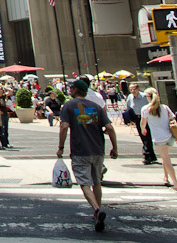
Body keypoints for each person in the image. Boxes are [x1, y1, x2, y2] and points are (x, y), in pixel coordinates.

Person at [57, 79, 118, 232]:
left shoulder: (68, 106)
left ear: (76, 90)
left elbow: (64, 127)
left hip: (80, 150)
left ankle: (96, 209)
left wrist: (60, 147)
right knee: (96, 181)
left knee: (84, 183)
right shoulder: (96, 107)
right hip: (98, 149)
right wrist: (115, 148)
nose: (69, 89)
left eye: (71, 87)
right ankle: (96, 212)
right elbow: (110, 128)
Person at [139, 88, 177, 190]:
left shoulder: (145, 109)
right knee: (165, 157)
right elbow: (173, 120)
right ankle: (166, 177)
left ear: (148, 97)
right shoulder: (165, 107)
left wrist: (143, 129)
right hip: (170, 136)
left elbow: (143, 123)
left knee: (166, 159)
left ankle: (176, 184)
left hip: (159, 138)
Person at [125, 84, 156, 165]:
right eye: (131, 89)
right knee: (143, 137)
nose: (132, 91)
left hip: (146, 118)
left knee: (147, 137)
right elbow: (128, 108)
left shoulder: (144, 96)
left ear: (138, 89)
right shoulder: (130, 97)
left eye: (134, 89)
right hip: (137, 118)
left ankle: (147, 155)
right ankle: (151, 155)